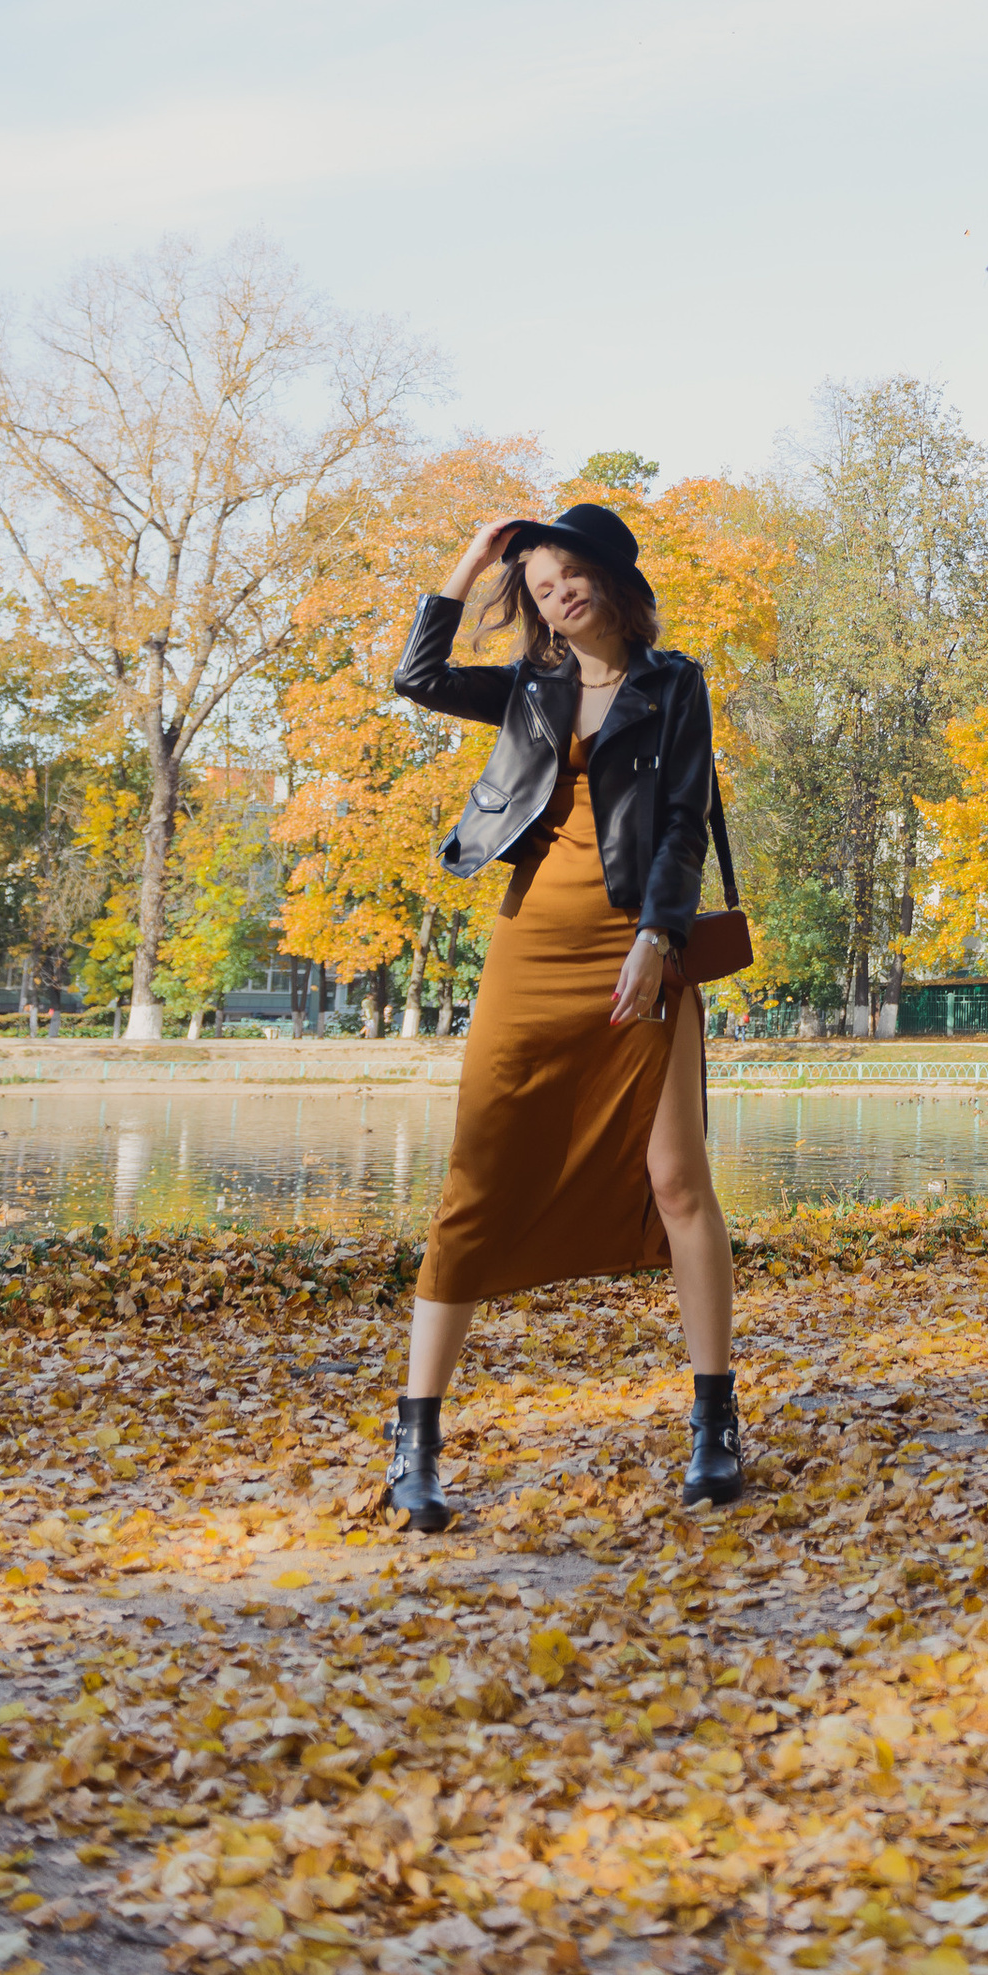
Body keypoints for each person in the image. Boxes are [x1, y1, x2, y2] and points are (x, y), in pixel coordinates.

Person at [382, 500, 744, 1534]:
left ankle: (714, 1426)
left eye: (570, 574)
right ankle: (417, 1442)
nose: (557, 594)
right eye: (539, 586)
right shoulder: (527, 688)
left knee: (677, 1179)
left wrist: (658, 937)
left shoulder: (675, 685)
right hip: (531, 944)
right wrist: (470, 559)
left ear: (612, 576)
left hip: (639, 944)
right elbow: (416, 677)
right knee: (478, 1178)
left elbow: (681, 826)